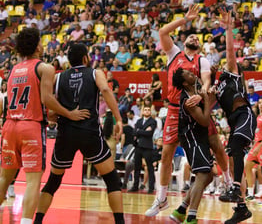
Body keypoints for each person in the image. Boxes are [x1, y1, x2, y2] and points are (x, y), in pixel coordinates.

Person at [145, 5, 229, 217]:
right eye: (191, 35)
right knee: (166, 154)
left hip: (195, 107)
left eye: (198, 38)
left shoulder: (202, 60)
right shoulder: (173, 53)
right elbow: (163, 31)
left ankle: (229, 183)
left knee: (215, 144)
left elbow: (207, 78)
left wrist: (202, 94)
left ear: (200, 46)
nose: (195, 38)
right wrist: (185, 19)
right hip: (174, 110)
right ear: (184, 41)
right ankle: (162, 198)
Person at [0, 29, 89, 224]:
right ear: (36, 45)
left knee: (4, 178)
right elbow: (46, 99)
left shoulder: (14, 69)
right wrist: (69, 113)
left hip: (8, 125)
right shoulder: (45, 68)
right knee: (33, 180)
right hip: (30, 127)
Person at [34, 43, 124, 224]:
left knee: (53, 181)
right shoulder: (95, 72)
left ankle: (37, 221)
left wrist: (61, 115)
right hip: (89, 132)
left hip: (65, 133)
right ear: (85, 58)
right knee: (112, 180)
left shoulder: (58, 78)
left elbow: (49, 108)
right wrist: (118, 119)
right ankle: (120, 222)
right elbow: (106, 90)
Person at [212, 8, 257, 224]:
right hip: (233, 123)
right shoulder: (214, 88)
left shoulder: (230, 73)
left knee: (235, 149)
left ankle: (234, 189)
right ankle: (241, 208)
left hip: (244, 115)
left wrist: (228, 28)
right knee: (232, 159)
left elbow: (230, 52)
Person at [169, 67, 216, 224]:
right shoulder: (187, 100)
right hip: (192, 138)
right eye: (188, 74)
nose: (192, 74)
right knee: (203, 175)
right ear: (184, 82)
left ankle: (181, 210)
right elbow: (204, 120)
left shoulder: (195, 89)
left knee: (208, 176)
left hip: (199, 137)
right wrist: (207, 99)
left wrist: (213, 75)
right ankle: (191, 217)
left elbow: (207, 88)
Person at [128, 105, 157, 193]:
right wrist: (142, 131)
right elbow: (134, 132)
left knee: (150, 167)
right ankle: (135, 186)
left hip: (147, 147)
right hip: (138, 146)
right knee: (137, 167)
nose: (147, 111)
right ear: (143, 112)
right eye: (145, 110)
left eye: (148, 110)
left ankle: (151, 188)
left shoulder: (153, 121)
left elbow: (149, 133)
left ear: (150, 112)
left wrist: (139, 131)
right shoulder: (139, 121)